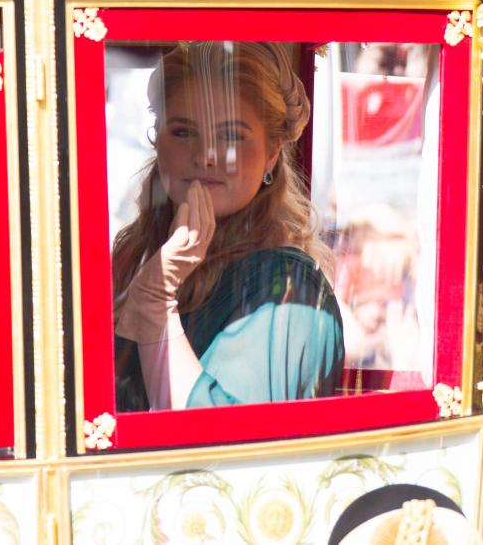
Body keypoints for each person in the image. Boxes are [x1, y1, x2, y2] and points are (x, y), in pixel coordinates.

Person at [112, 41, 344, 412]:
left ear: (271, 153)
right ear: (158, 141)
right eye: (183, 132)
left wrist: (156, 304)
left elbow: (221, 437)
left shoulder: (285, 285)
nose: (205, 155)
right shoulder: (135, 257)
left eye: (231, 135)